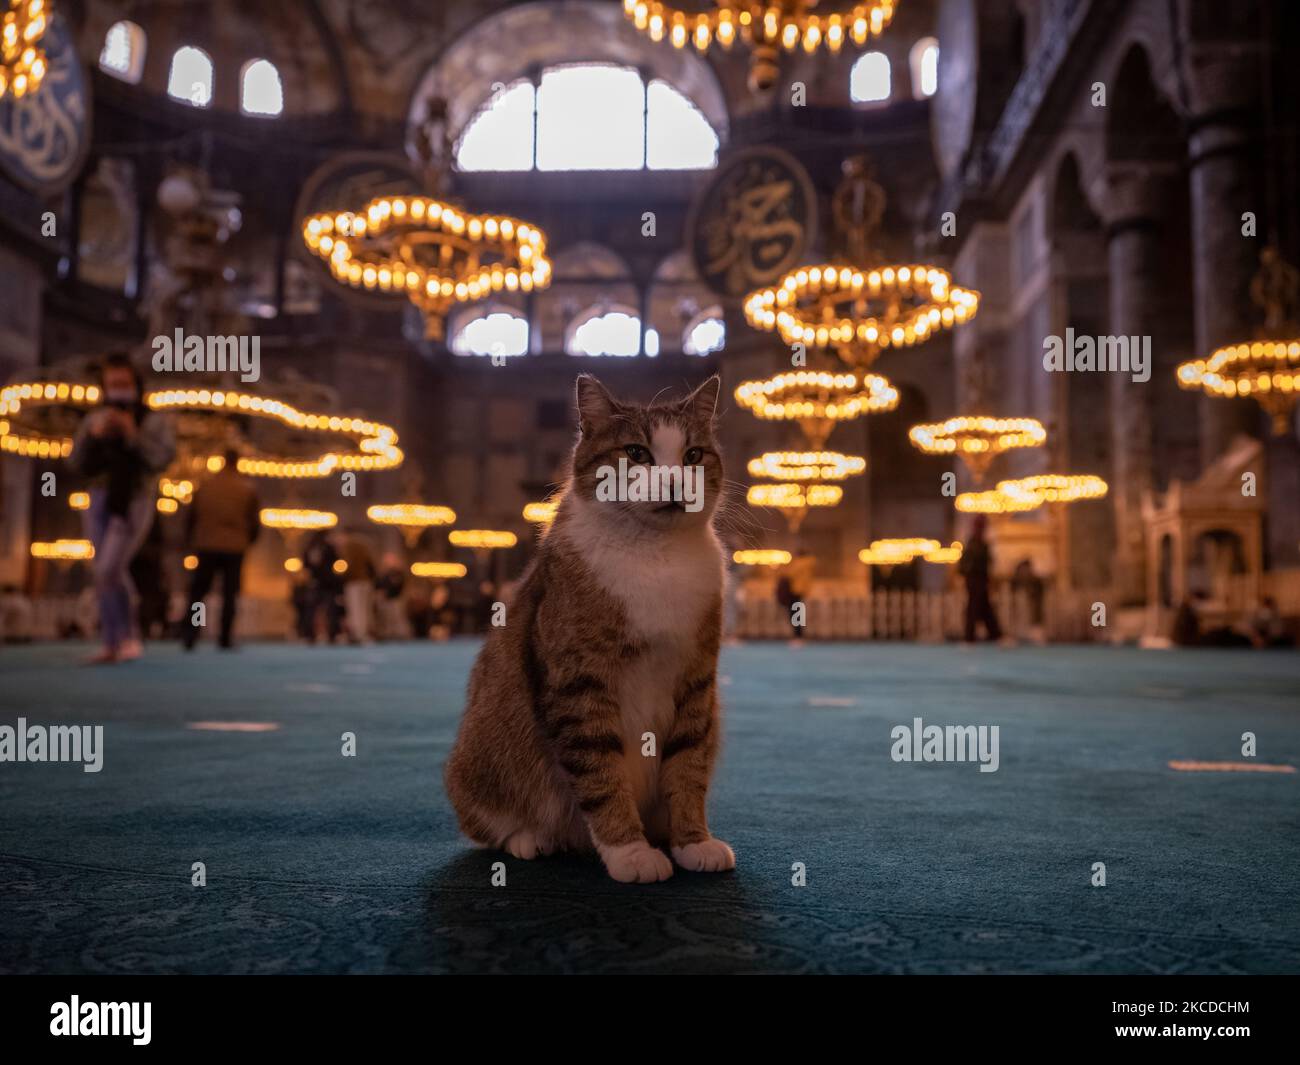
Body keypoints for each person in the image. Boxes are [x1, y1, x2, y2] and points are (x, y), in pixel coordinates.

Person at [70, 353, 175, 663]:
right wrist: (93, 437)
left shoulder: (152, 420)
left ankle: (129, 635)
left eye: (124, 383)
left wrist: (133, 436)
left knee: (109, 568)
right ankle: (112, 641)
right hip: (99, 497)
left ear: (136, 384)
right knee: (105, 572)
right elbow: (75, 462)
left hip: (133, 498)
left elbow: (162, 459)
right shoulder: (94, 419)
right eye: (112, 384)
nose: (118, 389)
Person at [182, 447, 260, 650]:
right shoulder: (246, 489)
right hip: (235, 548)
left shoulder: (206, 485)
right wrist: (246, 541)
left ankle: (191, 634)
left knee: (199, 593)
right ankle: (224, 637)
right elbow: (254, 523)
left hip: (206, 545)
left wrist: (192, 540)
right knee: (229, 595)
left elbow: (191, 517)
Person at [959, 514, 1002, 643]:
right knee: (975, 608)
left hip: (981, 581)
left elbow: (988, 564)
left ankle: (993, 635)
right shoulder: (972, 545)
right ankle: (972, 636)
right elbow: (964, 566)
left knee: (983, 608)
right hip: (974, 581)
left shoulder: (982, 544)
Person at [301, 530, 343, 643]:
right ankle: (333, 634)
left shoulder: (310, 548)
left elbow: (305, 565)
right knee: (331, 610)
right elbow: (337, 561)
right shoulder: (328, 547)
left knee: (311, 609)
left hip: (315, 582)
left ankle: (308, 635)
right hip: (328, 583)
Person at [341, 533, 376, 643]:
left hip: (354, 582)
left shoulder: (348, 548)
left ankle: (358, 633)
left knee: (356, 609)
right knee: (365, 610)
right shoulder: (365, 548)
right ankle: (364, 633)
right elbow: (371, 567)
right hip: (366, 582)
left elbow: (347, 568)